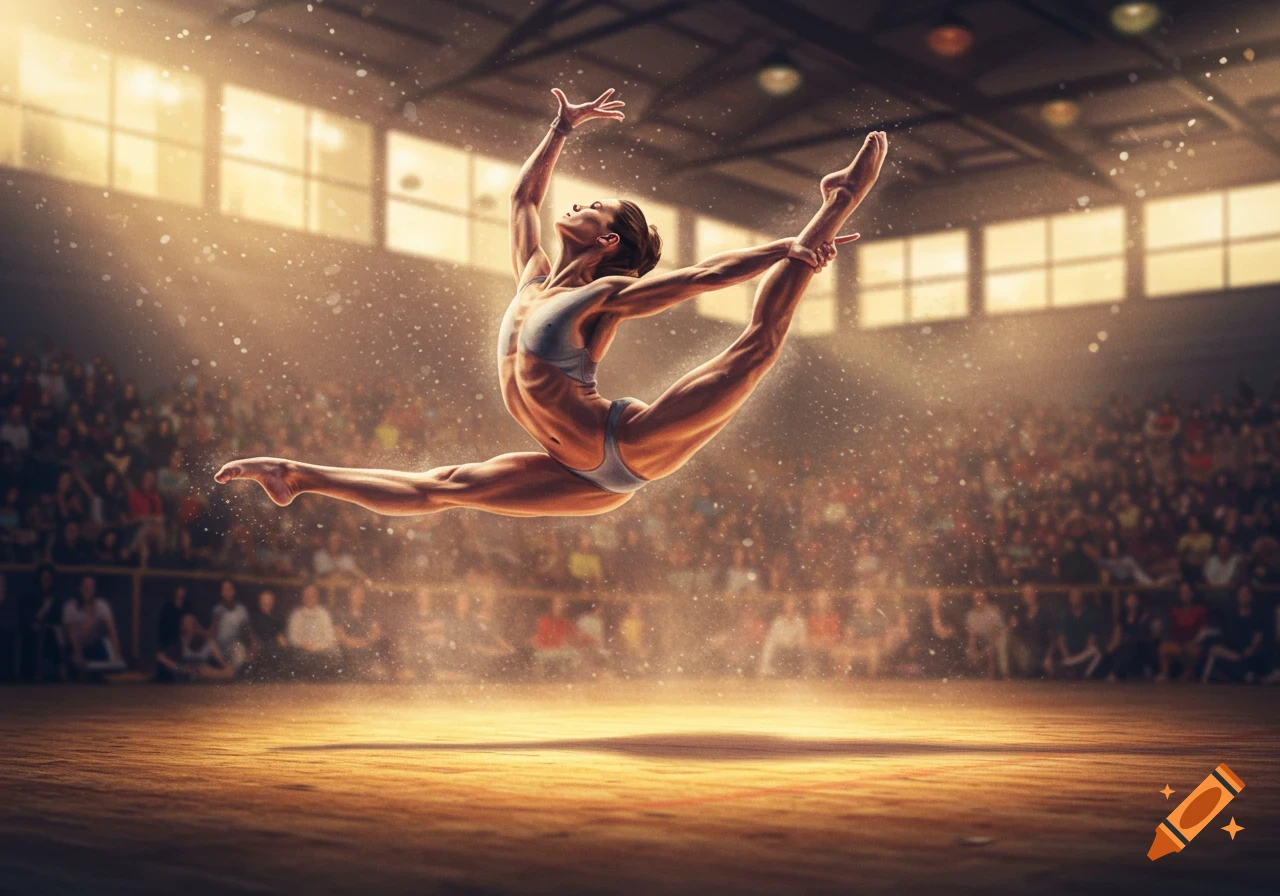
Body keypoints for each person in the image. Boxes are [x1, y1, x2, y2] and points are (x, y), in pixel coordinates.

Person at [215, 90, 887, 519]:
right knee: (441, 487)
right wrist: (562, 129)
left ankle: (837, 202)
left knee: (755, 349)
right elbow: (522, 201)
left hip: (630, 442)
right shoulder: (532, 277)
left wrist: (791, 247)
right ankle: (296, 476)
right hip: (576, 476)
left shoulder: (606, 296)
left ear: (611, 238)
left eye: (591, 207)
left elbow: (702, 277)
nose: (575, 205)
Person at [61, 575, 125, 677]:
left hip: (92, 646)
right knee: (74, 667)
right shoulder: (70, 606)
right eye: (85, 586)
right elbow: (70, 633)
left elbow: (112, 630)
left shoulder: (101, 605)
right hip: (74, 647)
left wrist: (117, 653)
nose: (88, 589)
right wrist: (78, 653)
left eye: (91, 587)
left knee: (103, 659)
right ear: (80, 588)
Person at [1202, 585, 1268, 683]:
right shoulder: (1231, 616)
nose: (1243, 596)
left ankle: (1246, 675)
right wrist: (1232, 655)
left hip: (1249, 653)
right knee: (1216, 654)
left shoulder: (1257, 616)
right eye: (1241, 593)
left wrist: (1250, 649)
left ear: (1251, 597)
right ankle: (1245, 675)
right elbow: (1225, 639)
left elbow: (1257, 638)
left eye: (1246, 594)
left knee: (1259, 654)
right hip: (1233, 653)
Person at [155, 614, 235, 682]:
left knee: (219, 670)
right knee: (200, 672)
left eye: (191, 622)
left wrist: (225, 666)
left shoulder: (202, 640)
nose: (188, 625)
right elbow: (161, 656)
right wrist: (179, 668)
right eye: (186, 623)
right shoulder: (179, 642)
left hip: (204, 669)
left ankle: (222, 673)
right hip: (187, 671)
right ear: (182, 625)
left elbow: (209, 636)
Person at [335, 584, 389, 679]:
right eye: (355, 594)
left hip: (366, 645)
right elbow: (339, 633)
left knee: (376, 649)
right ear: (349, 596)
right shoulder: (341, 613)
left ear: (363, 597)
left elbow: (376, 631)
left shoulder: (370, 612)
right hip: (348, 647)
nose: (357, 597)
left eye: (360, 594)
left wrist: (366, 641)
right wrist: (352, 642)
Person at [285, 584, 340, 678]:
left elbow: (329, 636)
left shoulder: (323, 614)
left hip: (321, 650)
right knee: (299, 657)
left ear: (317, 596)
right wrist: (306, 645)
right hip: (303, 650)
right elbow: (292, 636)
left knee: (334, 652)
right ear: (303, 597)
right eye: (307, 595)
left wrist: (318, 647)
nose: (310, 598)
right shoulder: (296, 615)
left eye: (312, 595)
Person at [1156, 582, 1208, 681]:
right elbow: (1171, 630)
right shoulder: (1175, 610)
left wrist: (1193, 642)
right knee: (1163, 648)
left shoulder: (1200, 610)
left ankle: (1190, 671)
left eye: (1187, 592)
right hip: (1178, 644)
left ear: (1192, 593)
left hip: (1194, 644)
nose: (1185, 594)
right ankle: (1165, 673)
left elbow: (1203, 631)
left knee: (1195, 651)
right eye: (1183, 592)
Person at [1051, 588, 1102, 680]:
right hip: (1069, 653)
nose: (1075, 598)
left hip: (1083, 654)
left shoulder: (1090, 614)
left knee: (1096, 652)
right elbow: (1060, 639)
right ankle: (1071, 666)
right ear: (1069, 598)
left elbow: (1091, 639)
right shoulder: (1064, 614)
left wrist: (1080, 658)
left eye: (1077, 596)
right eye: (1073, 596)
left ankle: (1082, 674)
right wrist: (1067, 655)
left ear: (1082, 598)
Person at [1007, 585, 1056, 678]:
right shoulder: (1019, 612)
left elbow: (1052, 636)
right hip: (1025, 650)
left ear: (1036, 595)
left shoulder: (1045, 611)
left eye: (1031, 594)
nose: (1029, 596)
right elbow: (1015, 632)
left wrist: (1049, 656)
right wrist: (1013, 625)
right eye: (1026, 594)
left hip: (1041, 649)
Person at [1106, 592, 1155, 680]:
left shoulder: (1143, 615)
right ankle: (1116, 672)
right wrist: (1108, 652)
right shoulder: (1122, 617)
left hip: (1141, 647)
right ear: (1125, 601)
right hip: (1126, 646)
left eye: (1134, 599)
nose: (1132, 601)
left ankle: (1116, 673)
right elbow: (1116, 637)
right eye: (1130, 599)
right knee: (1118, 650)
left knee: (1132, 643)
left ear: (1137, 601)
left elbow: (1147, 633)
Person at [209, 579, 251, 672]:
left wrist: (252, 648)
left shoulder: (241, 610)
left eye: (229, 589)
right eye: (224, 589)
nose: (227, 591)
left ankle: (232, 674)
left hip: (233, 645)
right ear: (221, 592)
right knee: (210, 643)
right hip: (219, 647)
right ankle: (226, 670)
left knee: (239, 647)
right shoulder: (217, 609)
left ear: (234, 591)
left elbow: (248, 631)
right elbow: (211, 634)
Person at [759, 595, 807, 677]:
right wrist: (785, 642)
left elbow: (803, 637)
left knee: (803, 647)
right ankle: (765, 669)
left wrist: (795, 642)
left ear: (795, 606)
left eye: (792, 605)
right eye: (787, 605)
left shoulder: (800, 621)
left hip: (795, 647)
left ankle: (804, 671)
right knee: (769, 645)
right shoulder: (778, 621)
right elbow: (773, 637)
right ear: (784, 607)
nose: (790, 607)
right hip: (781, 646)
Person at [964, 590, 1007, 679]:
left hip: (996, 639)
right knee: (970, 653)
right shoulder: (971, 615)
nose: (978, 600)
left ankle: (996, 676)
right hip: (981, 641)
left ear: (985, 598)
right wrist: (972, 650)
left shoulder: (993, 612)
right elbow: (972, 636)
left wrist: (989, 647)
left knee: (990, 652)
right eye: (976, 598)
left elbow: (999, 632)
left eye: (980, 598)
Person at [247, 589, 289, 679]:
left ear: (273, 602)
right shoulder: (255, 617)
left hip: (273, 648)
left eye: (269, 600)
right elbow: (251, 635)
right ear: (259, 602)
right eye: (264, 601)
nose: (266, 603)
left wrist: (283, 642)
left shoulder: (277, 618)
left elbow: (281, 636)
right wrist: (252, 647)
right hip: (260, 647)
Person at [805, 590, 843, 676]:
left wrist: (824, 641)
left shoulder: (834, 616)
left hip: (830, 647)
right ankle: (811, 677)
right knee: (807, 649)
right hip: (816, 646)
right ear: (816, 602)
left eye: (825, 600)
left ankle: (836, 679)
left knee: (837, 651)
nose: (822, 603)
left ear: (828, 602)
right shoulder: (811, 617)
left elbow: (836, 636)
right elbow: (809, 636)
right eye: (820, 600)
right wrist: (818, 642)